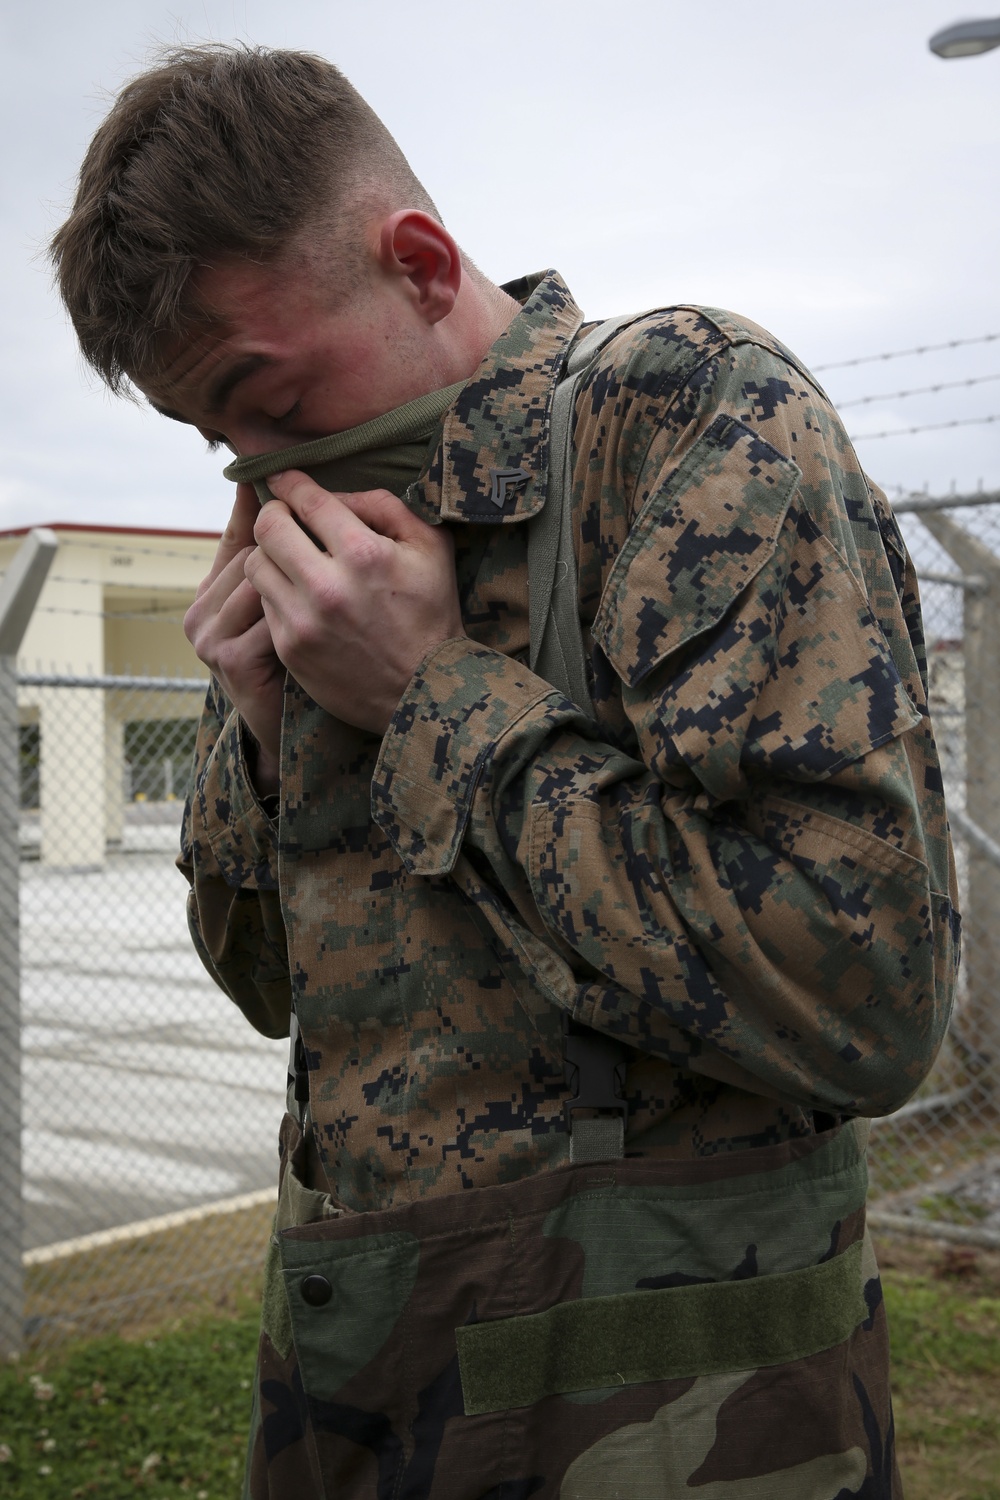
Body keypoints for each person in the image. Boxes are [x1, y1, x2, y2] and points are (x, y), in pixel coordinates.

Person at [51, 43, 959, 1500]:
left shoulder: (685, 421)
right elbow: (273, 993)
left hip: (672, 1419)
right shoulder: (339, 548)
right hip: (365, 1386)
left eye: (264, 398)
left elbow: (872, 999)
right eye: (212, 437)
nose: (258, 472)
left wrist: (429, 701)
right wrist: (271, 738)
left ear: (417, 264)